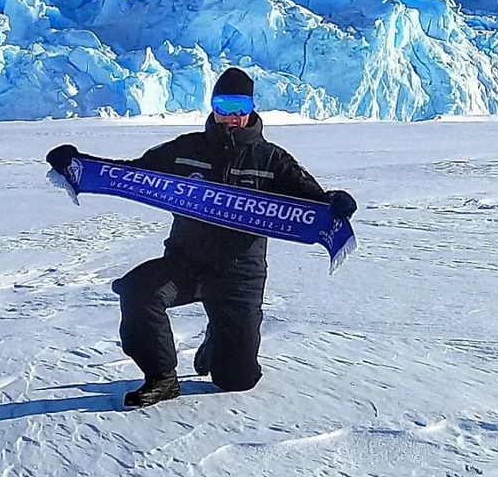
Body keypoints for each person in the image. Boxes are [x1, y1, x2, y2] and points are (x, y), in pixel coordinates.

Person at [46, 67, 357, 408]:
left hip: (241, 275)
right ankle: (161, 377)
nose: (233, 116)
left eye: (241, 106)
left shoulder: (272, 160)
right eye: (224, 105)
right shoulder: (185, 149)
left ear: (252, 108)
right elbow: (133, 173)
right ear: (212, 105)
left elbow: (310, 197)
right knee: (138, 290)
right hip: (185, 261)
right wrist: (79, 165)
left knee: (236, 380)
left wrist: (334, 203)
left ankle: (219, 336)